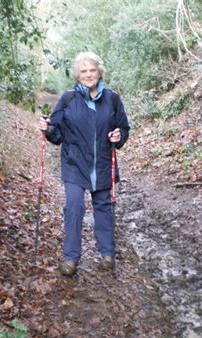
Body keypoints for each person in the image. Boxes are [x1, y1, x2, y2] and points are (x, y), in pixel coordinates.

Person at [38, 51, 130, 276]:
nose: (88, 75)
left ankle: (107, 254)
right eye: (83, 71)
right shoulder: (68, 99)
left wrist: (119, 137)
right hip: (74, 164)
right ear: (77, 75)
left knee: (103, 208)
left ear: (99, 72)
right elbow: (57, 134)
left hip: (102, 164)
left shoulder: (113, 99)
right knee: (74, 207)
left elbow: (123, 129)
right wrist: (47, 129)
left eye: (92, 70)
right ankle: (70, 259)